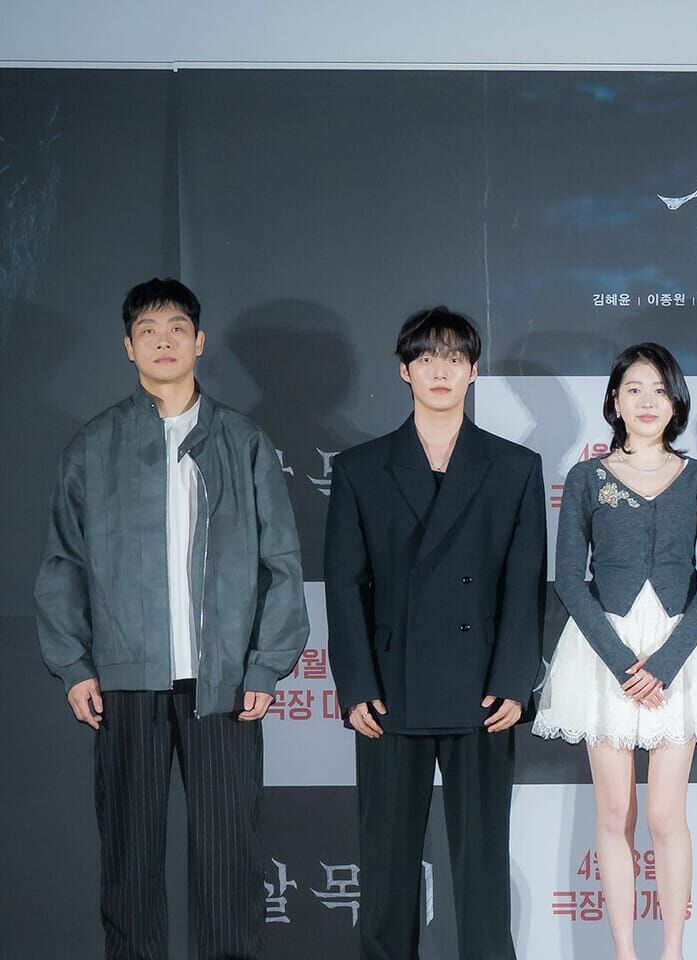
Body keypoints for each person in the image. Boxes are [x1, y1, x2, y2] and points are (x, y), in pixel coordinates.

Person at [35, 277, 310, 959]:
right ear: (128, 347)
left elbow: (281, 563)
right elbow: (63, 562)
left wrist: (264, 666)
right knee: (129, 865)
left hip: (223, 687)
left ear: (200, 342)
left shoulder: (243, 442)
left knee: (229, 864)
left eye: (177, 328)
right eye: (148, 331)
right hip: (126, 684)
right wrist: (74, 666)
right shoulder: (93, 446)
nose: (164, 341)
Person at [324, 306, 545, 960]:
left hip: (483, 691)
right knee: (387, 870)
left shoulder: (514, 466)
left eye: (453, 357)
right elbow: (344, 585)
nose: (439, 370)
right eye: (426, 357)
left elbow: (524, 583)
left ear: (474, 370)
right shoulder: (362, 467)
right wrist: (355, 686)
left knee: (482, 871)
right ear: (404, 370)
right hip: (391, 691)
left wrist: (514, 682)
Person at [532, 342, 697, 960]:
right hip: (604, 652)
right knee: (615, 810)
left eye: (660, 389)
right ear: (615, 400)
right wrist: (623, 664)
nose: (648, 401)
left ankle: (672, 949)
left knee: (666, 815)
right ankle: (625, 951)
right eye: (635, 389)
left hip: (679, 650)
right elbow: (570, 579)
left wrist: (665, 664)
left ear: (677, 402)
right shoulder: (587, 478)